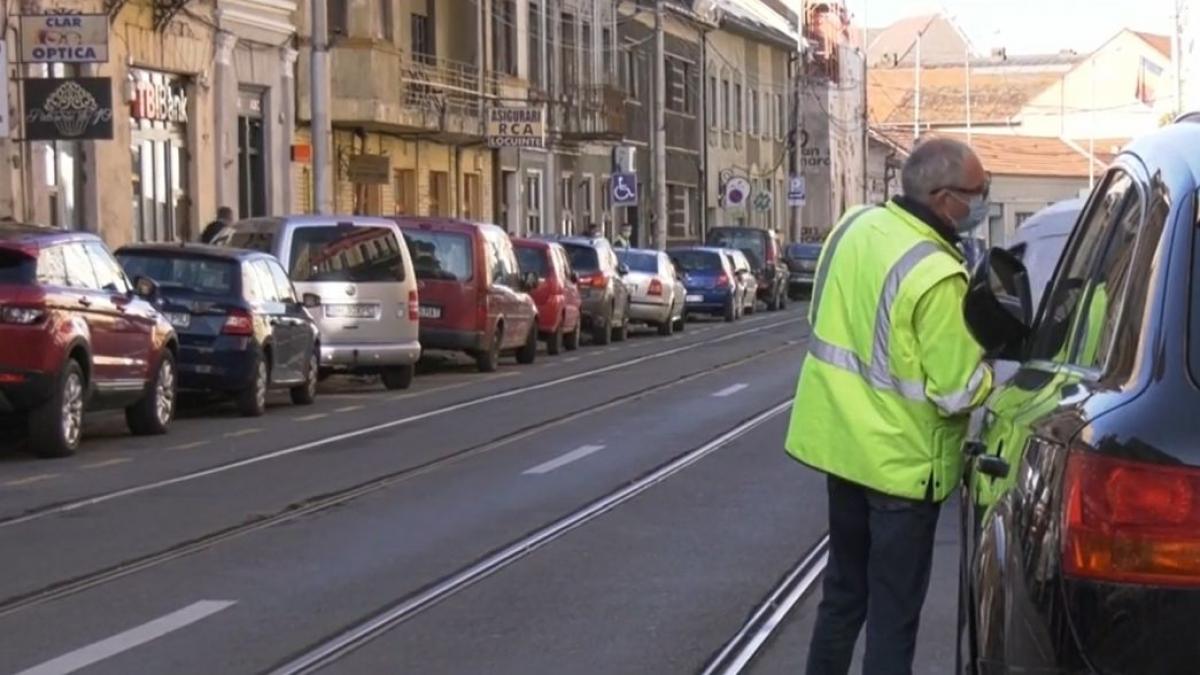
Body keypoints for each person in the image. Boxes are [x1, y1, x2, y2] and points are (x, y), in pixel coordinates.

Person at [785, 137, 994, 675]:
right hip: (902, 469)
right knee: (893, 617)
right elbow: (957, 391)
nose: (982, 204)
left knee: (842, 596)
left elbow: (826, 324)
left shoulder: (852, 228)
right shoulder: (938, 274)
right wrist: (990, 363)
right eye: (978, 193)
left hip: (843, 451)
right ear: (945, 198)